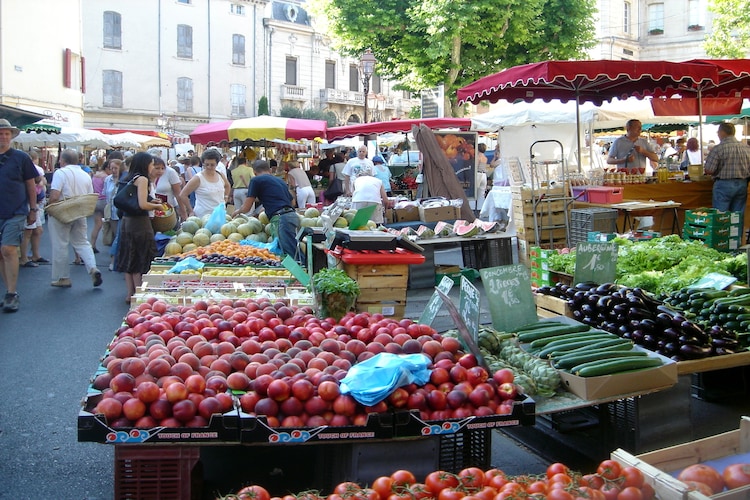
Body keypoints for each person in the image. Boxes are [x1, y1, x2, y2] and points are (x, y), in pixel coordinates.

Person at [46, 149, 102, 289]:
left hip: (62, 212)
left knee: (61, 244)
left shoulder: (60, 173)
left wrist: (49, 207)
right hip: (80, 211)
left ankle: (62, 277)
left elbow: (54, 195)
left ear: (62, 160)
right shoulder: (85, 175)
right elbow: (89, 195)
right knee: (82, 242)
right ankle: (92, 268)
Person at [115, 152, 164, 303]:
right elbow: (143, 205)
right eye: (151, 164)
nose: (152, 167)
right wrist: (157, 205)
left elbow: (136, 199)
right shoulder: (143, 179)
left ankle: (130, 294)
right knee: (139, 259)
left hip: (127, 222)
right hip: (139, 223)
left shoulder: (130, 177)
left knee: (129, 257)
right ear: (145, 164)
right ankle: (139, 294)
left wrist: (151, 200)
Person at [0, 119, 38, 312]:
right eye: (1, 133)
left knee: (8, 249)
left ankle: (12, 293)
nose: (4, 137)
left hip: (15, 211)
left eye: (7, 134)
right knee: (1, 254)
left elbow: (31, 185)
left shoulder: (21, 158)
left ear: (11, 136)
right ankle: (8, 291)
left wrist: (33, 209)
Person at [232, 160, 300, 261]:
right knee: (293, 250)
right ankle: (302, 273)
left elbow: (246, 207)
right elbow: (292, 202)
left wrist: (236, 212)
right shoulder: (280, 181)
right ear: (269, 170)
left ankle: (302, 275)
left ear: (254, 172)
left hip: (281, 219)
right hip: (292, 216)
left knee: (288, 255)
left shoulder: (256, 180)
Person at [703, 122, 750, 213]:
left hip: (723, 185)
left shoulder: (718, 148)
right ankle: (737, 228)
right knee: (737, 216)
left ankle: (723, 228)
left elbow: (709, 170)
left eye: (718, 132)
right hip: (742, 184)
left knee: (721, 216)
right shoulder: (747, 148)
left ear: (722, 132)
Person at [178, 149, 231, 218]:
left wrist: (226, 198)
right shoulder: (198, 178)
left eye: (212, 165)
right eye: (206, 165)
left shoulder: (220, 175)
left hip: (219, 215)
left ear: (217, 164)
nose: (209, 167)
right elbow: (183, 195)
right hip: (203, 216)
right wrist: (190, 210)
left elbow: (227, 186)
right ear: (203, 163)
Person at [19, 150, 48, 268]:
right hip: (30, 204)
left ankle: (35, 255)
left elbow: (41, 180)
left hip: (36, 205)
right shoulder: (23, 169)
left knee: (37, 230)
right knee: (28, 231)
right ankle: (23, 258)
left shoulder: (32, 169)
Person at [151, 156, 184, 227]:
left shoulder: (170, 172)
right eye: (157, 168)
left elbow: (178, 194)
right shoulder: (145, 177)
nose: (160, 171)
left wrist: (183, 212)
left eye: (162, 168)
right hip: (153, 213)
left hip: (168, 212)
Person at [103, 158, 123, 271]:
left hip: (119, 212)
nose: (114, 170)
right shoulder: (108, 180)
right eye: (112, 168)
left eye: (116, 168)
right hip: (111, 211)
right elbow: (106, 195)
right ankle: (117, 259)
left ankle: (114, 260)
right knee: (115, 236)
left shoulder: (123, 179)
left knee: (118, 237)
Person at [89, 162, 110, 253]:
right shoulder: (106, 177)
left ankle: (92, 244)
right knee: (110, 224)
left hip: (95, 200)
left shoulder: (95, 176)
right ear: (107, 168)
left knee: (97, 225)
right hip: (104, 201)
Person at [476, 144, 489, 211]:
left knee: (475, 192)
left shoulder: (478, 157)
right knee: (481, 192)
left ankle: (473, 208)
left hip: (478, 174)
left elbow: (476, 166)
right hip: (484, 175)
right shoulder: (485, 158)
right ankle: (480, 208)